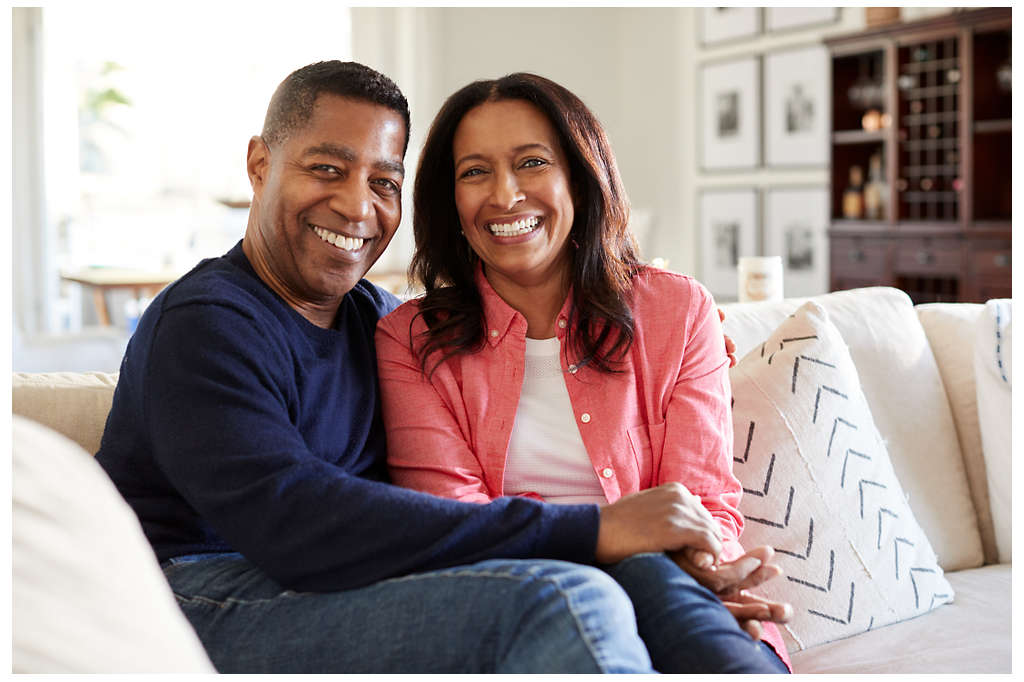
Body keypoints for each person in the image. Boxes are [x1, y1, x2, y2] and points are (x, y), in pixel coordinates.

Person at [94, 60, 775, 674]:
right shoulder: (206, 323)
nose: (358, 206)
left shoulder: (378, 321)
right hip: (200, 599)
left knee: (645, 589)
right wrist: (595, 530)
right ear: (260, 165)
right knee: (565, 600)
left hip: (336, 583)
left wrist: (679, 330)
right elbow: (294, 523)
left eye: (382, 181)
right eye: (327, 169)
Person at [375, 73, 793, 673]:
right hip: (525, 594)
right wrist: (605, 534)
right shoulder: (410, 340)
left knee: (674, 600)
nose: (505, 194)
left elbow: (700, 496)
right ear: (450, 200)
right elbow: (455, 522)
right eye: (474, 172)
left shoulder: (675, 311)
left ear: (579, 173)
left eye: (531, 162)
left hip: (669, 576)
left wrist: (710, 575)